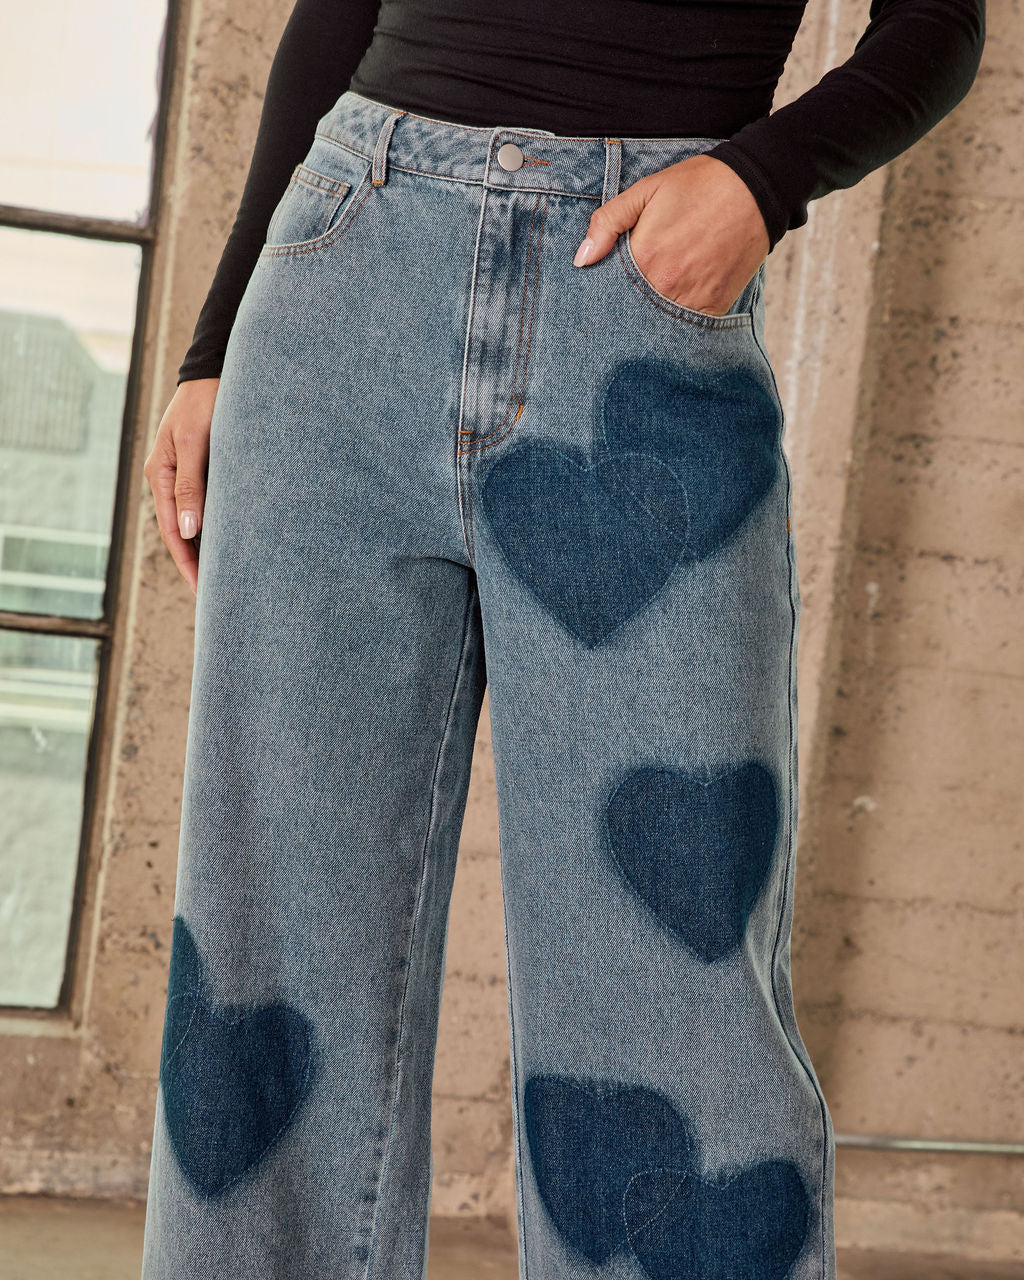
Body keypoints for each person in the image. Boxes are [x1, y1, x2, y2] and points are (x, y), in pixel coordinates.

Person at [140, 1, 984, 1277]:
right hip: (344, 274)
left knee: (676, 961)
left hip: (637, 307)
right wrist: (212, 349)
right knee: (268, 943)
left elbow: (938, 22)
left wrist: (759, 182)